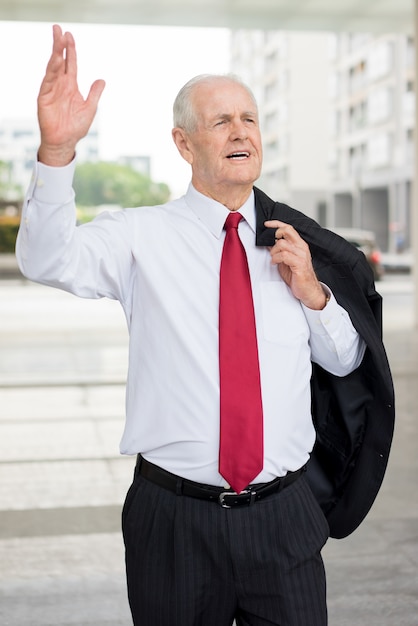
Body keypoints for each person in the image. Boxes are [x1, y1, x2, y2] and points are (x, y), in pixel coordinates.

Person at [16, 24, 395, 626]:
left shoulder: (296, 244)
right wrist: (58, 152)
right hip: (173, 522)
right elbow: (45, 259)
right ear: (184, 142)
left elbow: (349, 363)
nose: (241, 130)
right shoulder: (139, 236)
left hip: (284, 517)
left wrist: (314, 296)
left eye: (249, 118)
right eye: (221, 121)